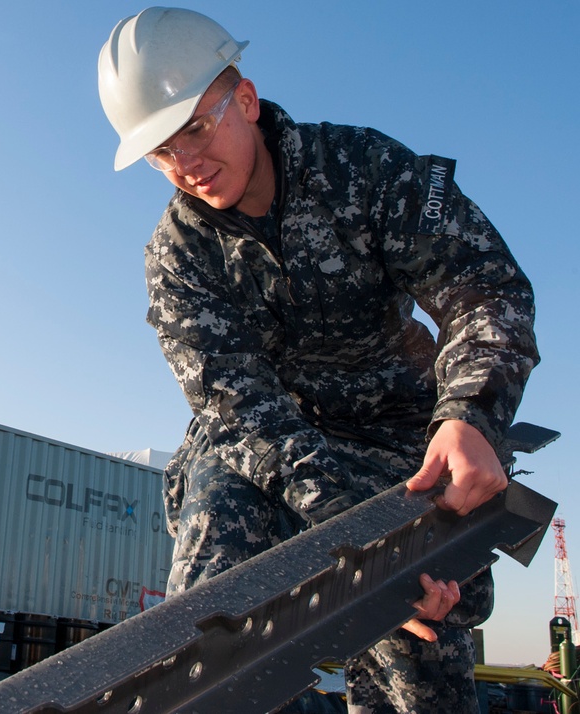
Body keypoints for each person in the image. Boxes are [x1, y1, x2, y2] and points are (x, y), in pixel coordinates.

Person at [97, 7, 538, 713]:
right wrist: (363, 554)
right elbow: (241, 413)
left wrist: (471, 415)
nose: (186, 165)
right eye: (160, 152)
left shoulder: (365, 170)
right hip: (270, 449)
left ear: (243, 100)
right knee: (210, 595)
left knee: (423, 650)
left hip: (397, 438)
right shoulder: (177, 256)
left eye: (196, 129)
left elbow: (484, 290)